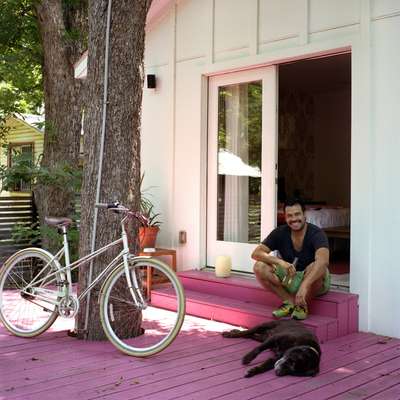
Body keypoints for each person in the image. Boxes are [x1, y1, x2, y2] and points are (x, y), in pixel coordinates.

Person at [251, 198, 330, 320]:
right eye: (290, 216)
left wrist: (304, 286)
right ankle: (289, 302)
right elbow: (256, 253)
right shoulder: (280, 232)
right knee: (259, 266)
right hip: (291, 277)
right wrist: (280, 262)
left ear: (305, 215)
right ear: (285, 217)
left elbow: (323, 261)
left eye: (297, 214)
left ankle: (301, 306)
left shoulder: (316, 233)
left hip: (313, 281)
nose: (294, 219)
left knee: (316, 266)